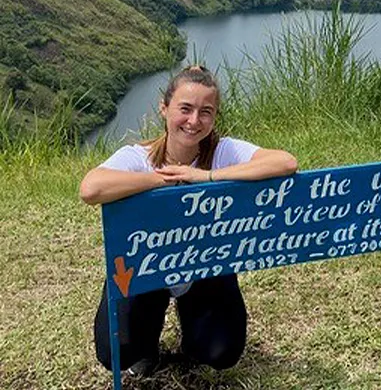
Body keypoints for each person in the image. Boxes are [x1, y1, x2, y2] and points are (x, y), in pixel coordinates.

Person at [79, 65, 298, 377]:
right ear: (164, 108)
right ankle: (145, 346)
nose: (194, 121)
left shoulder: (224, 151)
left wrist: (206, 176)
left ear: (215, 116)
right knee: (117, 353)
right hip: (143, 270)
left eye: (206, 112)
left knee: (219, 353)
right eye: (185, 109)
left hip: (206, 268)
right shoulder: (137, 157)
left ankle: (192, 329)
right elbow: (91, 189)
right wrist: (159, 181)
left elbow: (285, 162)